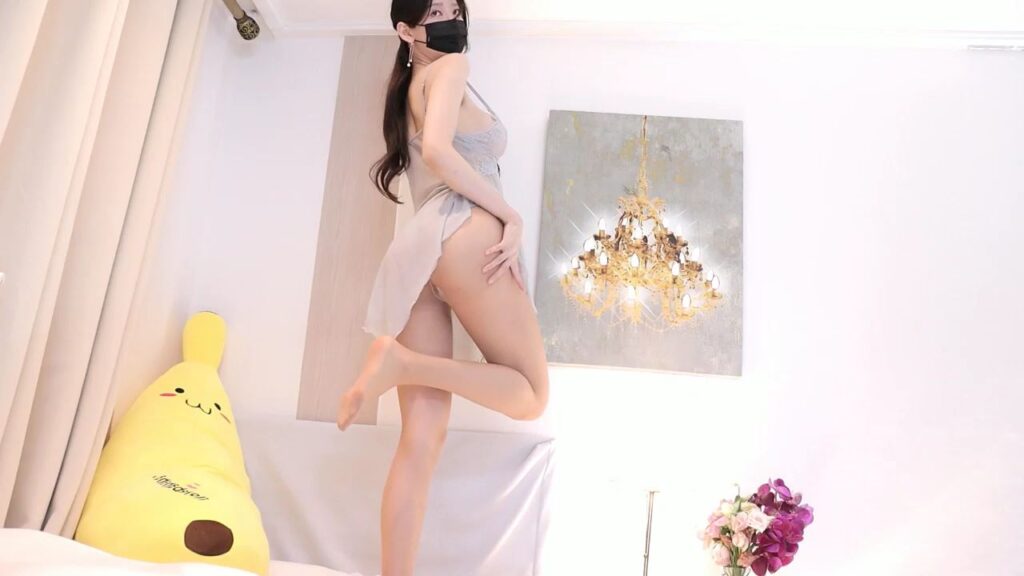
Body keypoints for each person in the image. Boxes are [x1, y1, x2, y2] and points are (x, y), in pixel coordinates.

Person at [335, 1, 550, 574]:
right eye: (435, 11)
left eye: (454, 7)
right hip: (465, 234)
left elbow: (424, 157)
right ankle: (403, 363)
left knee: (420, 441)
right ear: (405, 30)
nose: (450, 17)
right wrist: (509, 215)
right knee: (531, 395)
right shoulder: (451, 67)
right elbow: (435, 150)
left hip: (419, 250)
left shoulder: (410, 87)